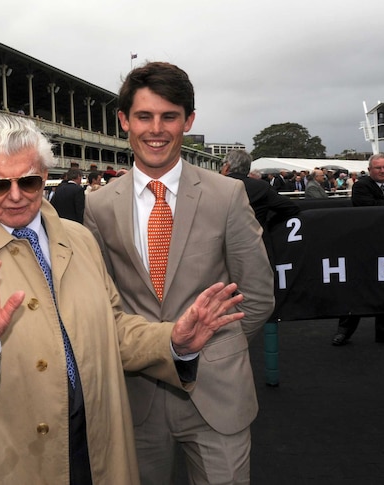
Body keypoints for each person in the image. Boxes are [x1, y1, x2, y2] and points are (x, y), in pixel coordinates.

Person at [0, 115, 245, 484]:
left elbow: (116, 329)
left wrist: (173, 341)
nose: (15, 195)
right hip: (3, 462)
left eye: (28, 181)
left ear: (45, 176)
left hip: (95, 449)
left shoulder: (79, 238)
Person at [83, 62, 274, 485]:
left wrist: (213, 351)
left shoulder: (227, 195)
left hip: (215, 394)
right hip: (135, 399)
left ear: (188, 121)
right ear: (123, 121)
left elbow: (258, 293)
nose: (156, 129)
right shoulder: (98, 205)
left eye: (169, 116)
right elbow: (101, 303)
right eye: (144, 116)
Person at [331, 153, 384, 346]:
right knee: (359, 287)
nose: (383, 171)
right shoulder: (361, 186)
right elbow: (365, 206)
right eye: (378, 168)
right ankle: (344, 331)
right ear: (370, 170)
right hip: (367, 245)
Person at [221, 150, 300, 228]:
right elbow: (291, 207)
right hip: (256, 237)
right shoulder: (261, 187)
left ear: (226, 167)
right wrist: (268, 224)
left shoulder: (214, 186)